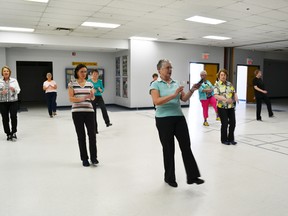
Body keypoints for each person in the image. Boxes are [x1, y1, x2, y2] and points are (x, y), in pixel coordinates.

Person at [149, 59, 204, 188]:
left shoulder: (175, 83)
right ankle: (169, 178)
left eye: (171, 67)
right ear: (160, 70)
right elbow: (156, 101)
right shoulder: (155, 85)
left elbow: (183, 99)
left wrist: (192, 90)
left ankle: (192, 176)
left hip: (179, 118)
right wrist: (173, 95)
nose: (170, 70)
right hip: (163, 120)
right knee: (168, 149)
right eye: (167, 67)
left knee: (186, 146)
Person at [68, 64, 98, 167]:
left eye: (85, 72)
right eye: (82, 71)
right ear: (77, 72)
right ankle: (84, 159)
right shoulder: (72, 84)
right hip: (77, 113)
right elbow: (71, 98)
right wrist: (83, 98)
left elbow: (92, 99)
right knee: (81, 136)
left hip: (89, 112)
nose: (84, 74)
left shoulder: (90, 84)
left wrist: (92, 96)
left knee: (92, 136)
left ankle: (94, 158)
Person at [214, 69, 239, 145]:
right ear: (219, 76)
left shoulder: (229, 84)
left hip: (231, 107)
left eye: (224, 75)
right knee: (224, 124)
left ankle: (231, 138)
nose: (223, 76)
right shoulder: (216, 85)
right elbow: (216, 95)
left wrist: (236, 97)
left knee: (233, 123)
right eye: (221, 75)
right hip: (222, 107)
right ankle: (224, 139)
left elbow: (233, 92)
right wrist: (226, 99)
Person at [0, 66, 21, 141]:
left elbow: (18, 90)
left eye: (7, 71)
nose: (6, 72)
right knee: (5, 118)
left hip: (13, 101)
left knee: (13, 116)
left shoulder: (14, 80)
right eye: (4, 71)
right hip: (2, 102)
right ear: (2, 73)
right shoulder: (0, 81)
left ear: (9, 73)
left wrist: (14, 90)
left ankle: (14, 132)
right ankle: (8, 134)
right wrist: (1, 92)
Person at [88, 69, 112, 134]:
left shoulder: (100, 81)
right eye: (94, 74)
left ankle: (107, 122)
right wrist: (92, 90)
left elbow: (102, 89)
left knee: (103, 108)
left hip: (99, 96)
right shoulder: (89, 81)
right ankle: (95, 129)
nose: (95, 75)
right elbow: (87, 89)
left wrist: (100, 89)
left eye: (96, 74)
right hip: (92, 97)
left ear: (98, 75)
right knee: (94, 113)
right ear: (91, 74)